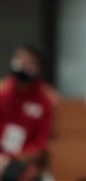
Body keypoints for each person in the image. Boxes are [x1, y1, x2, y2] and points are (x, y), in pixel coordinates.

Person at [0, 46, 58, 181]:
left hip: (24, 161)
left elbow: (41, 144)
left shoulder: (46, 101)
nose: (23, 66)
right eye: (20, 60)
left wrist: (13, 158)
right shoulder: (2, 92)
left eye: (28, 63)